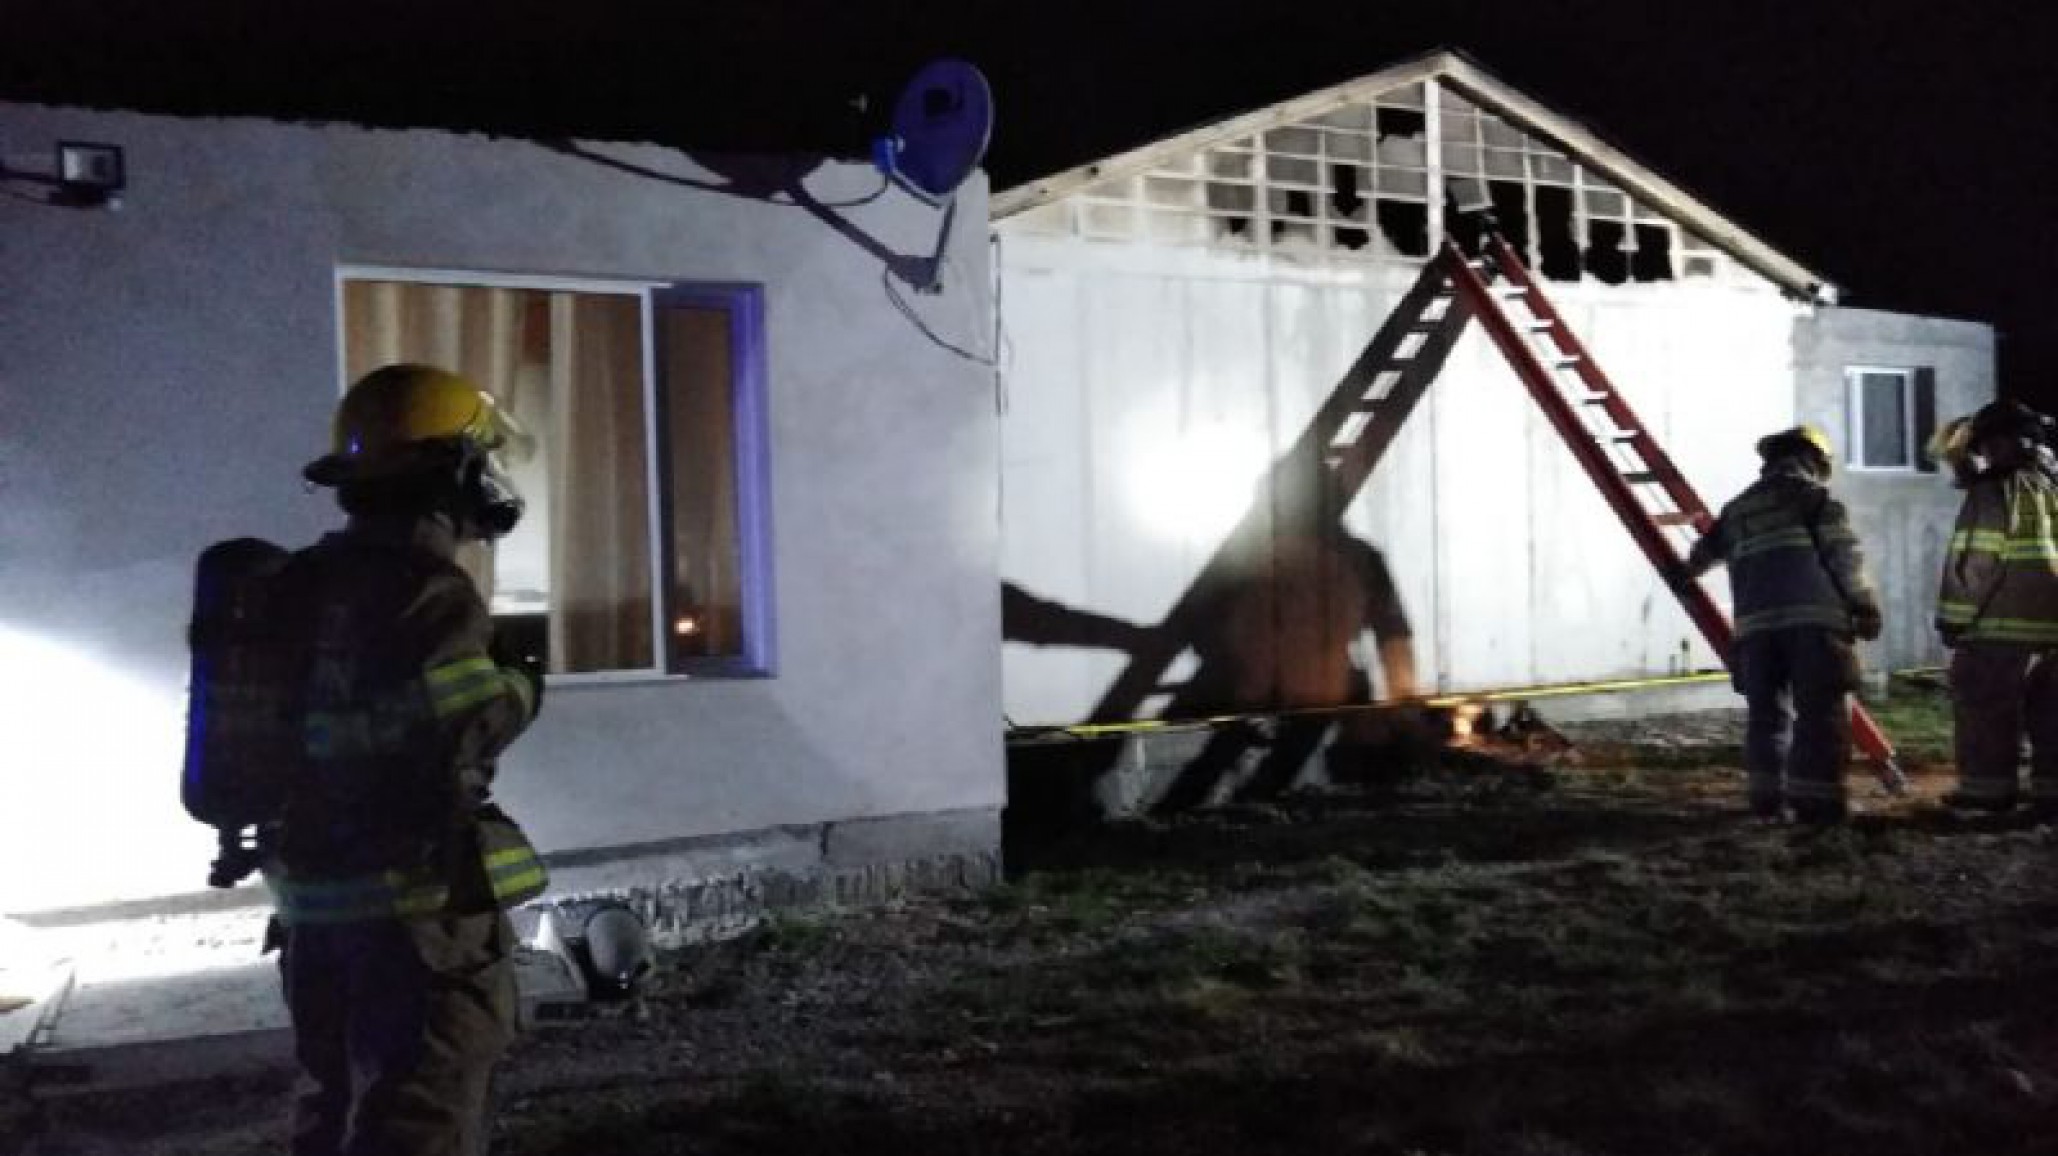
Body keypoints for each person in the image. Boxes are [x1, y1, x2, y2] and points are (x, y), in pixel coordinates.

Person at [272, 364, 549, 1155]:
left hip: (315, 907)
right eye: (484, 457)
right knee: (420, 1111)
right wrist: (524, 685)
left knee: (331, 1102)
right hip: (416, 912)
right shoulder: (430, 591)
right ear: (453, 470)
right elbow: (460, 730)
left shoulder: (301, 584)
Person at [1682, 424, 1882, 824]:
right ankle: (1818, 803)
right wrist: (1864, 606)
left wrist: (1684, 574)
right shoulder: (1815, 499)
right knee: (1821, 714)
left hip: (1756, 631)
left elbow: (1700, 558)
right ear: (1814, 460)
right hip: (1814, 625)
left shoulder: (1738, 508)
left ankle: (1766, 801)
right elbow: (1845, 557)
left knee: (1766, 717)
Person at [1934, 399, 2058, 817]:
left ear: (1999, 443)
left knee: (1984, 708)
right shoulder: (2053, 487)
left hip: (1998, 631)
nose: (1981, 455)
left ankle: (1987, 793)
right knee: (2051, 716)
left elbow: (1975, 564)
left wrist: (1952, 621)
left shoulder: (1993, 492)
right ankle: (2050, 796)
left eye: (1984, 446)